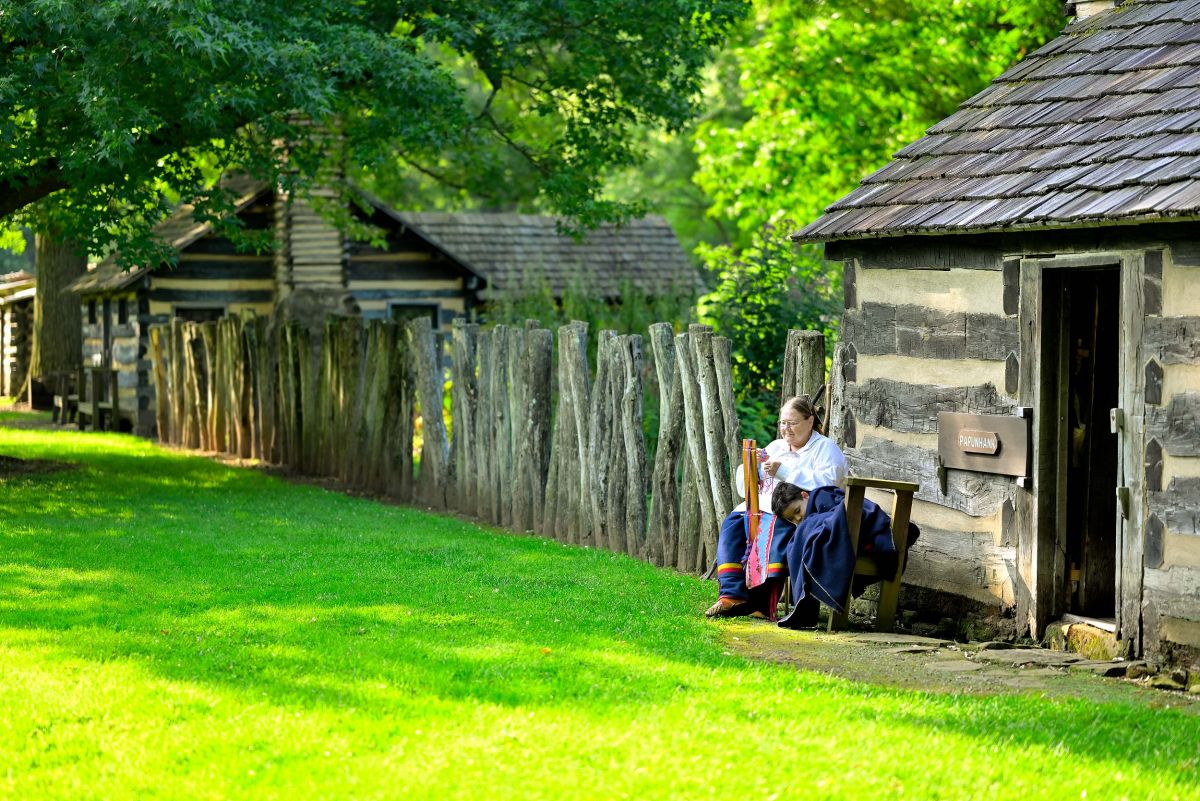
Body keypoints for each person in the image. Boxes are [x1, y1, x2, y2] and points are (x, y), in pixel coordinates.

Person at [705, 395, 847, 619]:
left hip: (797, 515)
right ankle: (731, 595)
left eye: (792, 423)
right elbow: (746, 487)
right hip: (760, 506)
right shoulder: (776, 447)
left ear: (810, 421)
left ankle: (761, 603)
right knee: (733, 522)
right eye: (783, 422)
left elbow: (828, 484)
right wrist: (754, 466)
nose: (786, 429)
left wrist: (785, 472)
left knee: (771, 526)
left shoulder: (826, 449)